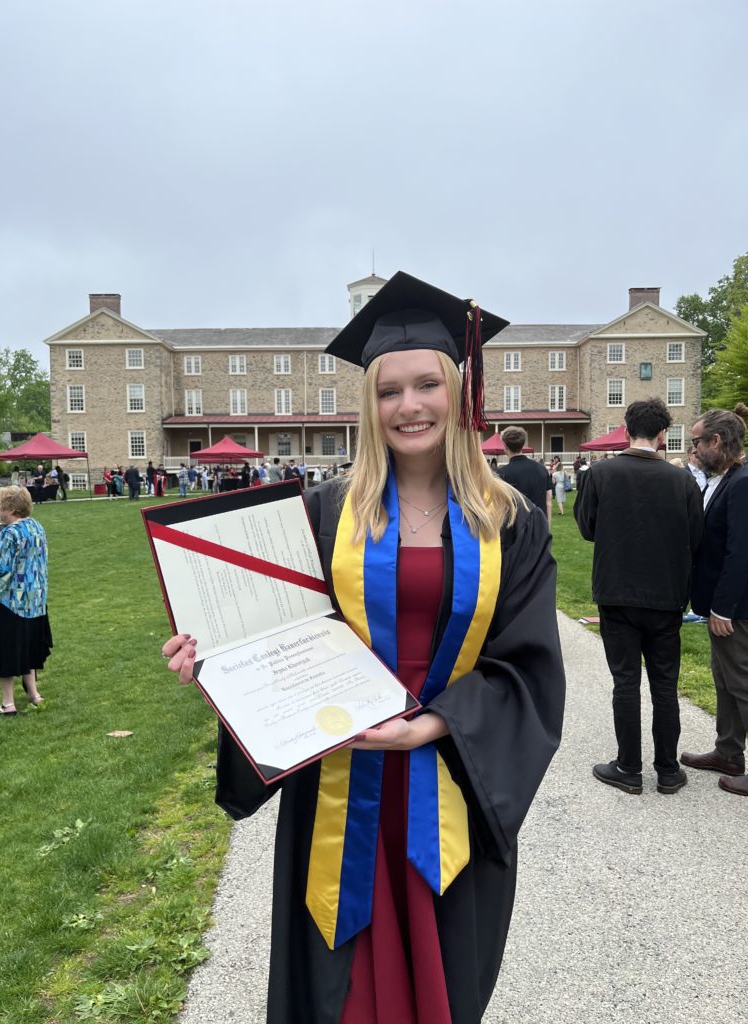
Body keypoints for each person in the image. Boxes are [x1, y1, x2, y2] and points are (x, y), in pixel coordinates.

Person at [163, 271, 565, 1023]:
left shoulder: (509, 522)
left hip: (451, 780)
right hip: (337, 783)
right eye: (389, 391)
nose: (409, 407)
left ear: (457, 390)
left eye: (426, 385)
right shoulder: (320, 514)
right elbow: (270, 633)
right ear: (367, 404)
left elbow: (528, 661)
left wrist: (429, 724)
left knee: (440, 980)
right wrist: (209, 656)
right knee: (337, 990)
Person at [574, 398, 703, 795]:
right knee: (665, 684)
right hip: (665, 592)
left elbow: (587, 527)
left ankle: (628, 766)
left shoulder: (601, 473)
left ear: (627, 428)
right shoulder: (682, 480)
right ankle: (667, 768)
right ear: (663, 435)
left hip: (617, 590)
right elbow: (695, 538)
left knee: (626, 681)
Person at [681, 405, 748, 796]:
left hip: (736, 610)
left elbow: (740, 551)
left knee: (741, 682)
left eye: (696, 442)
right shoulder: (727, 479)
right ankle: (728, 751)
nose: (695, 449)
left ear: (716, 441)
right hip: (723, 607)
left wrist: (723, 607)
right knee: (724, 680)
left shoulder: (741, 483)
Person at [0, 486, 50, 714]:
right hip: (36, 599)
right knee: (28, 648)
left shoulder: (10, 533)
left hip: (12, 601)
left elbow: (3, 572)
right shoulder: (36, 526)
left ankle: (7, 703)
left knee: (8, 650)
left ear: (10, 508)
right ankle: (34, 693)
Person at [496, 426, 552, 527]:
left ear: (505, 446)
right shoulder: (541, 469)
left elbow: (499, 506)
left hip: (514, 529)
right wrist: (547, 528)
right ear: (523, 445)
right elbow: (549, 500)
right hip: (538, 526)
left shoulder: (502, 473)